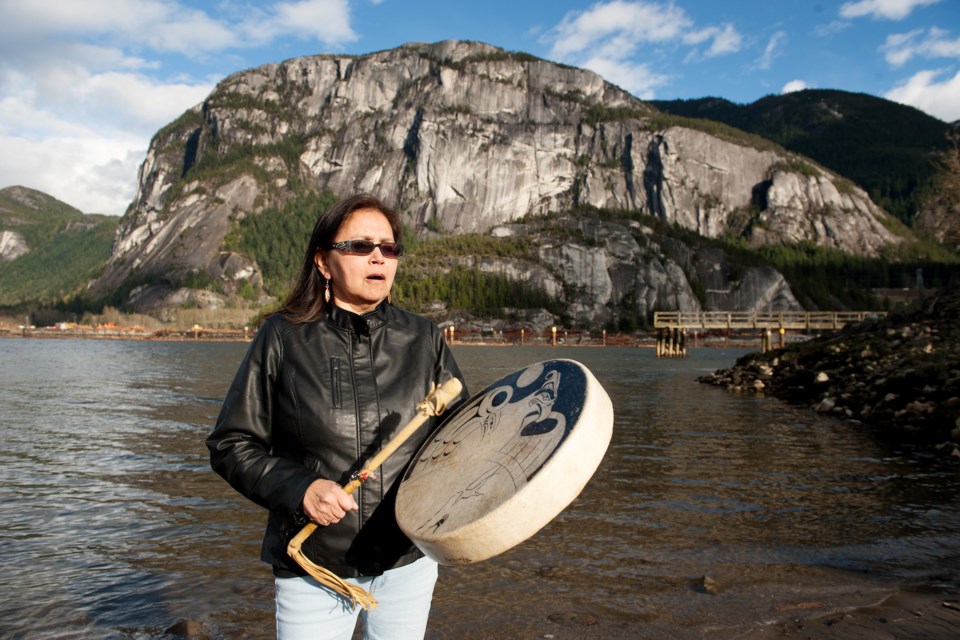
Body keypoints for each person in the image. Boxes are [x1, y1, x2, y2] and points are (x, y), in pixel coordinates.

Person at [207, 193, 468, 640]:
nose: (378, 258)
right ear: (324, 263)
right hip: (314, 563)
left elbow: (459, 437)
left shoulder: (424, 338)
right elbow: (231, 444)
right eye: (359, 246)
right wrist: (301, 488)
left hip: (407, 560)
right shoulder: (282, 337)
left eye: (388, 248)